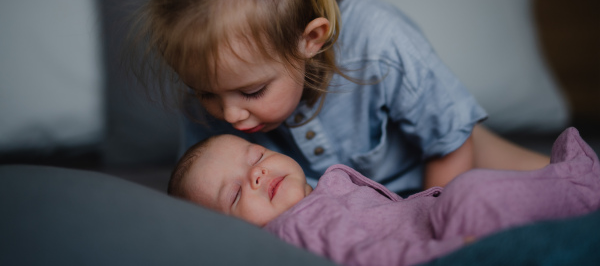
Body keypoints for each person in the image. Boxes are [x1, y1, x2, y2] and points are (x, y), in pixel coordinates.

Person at [138, 0, 549, 195]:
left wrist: (430, 221)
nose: (228, 115)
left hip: (438, 158)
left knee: (549, 184)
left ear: (310, 39)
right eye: (205, 92)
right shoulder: (215, 83)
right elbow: (202, 197)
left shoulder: (381, 42)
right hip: (354, 207)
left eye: (252, 91)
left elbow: (450, 145)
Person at [167, 127, 600, 266]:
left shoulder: (317, 195)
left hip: (435, 220)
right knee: (472, 191)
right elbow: (366, 255)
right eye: (239, 191)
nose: (258, 172)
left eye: (255, 154)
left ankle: (567, 184)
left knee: (476, 191)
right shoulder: (298, 224)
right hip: (442, 243)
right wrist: (451, 250)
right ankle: (581, 181)